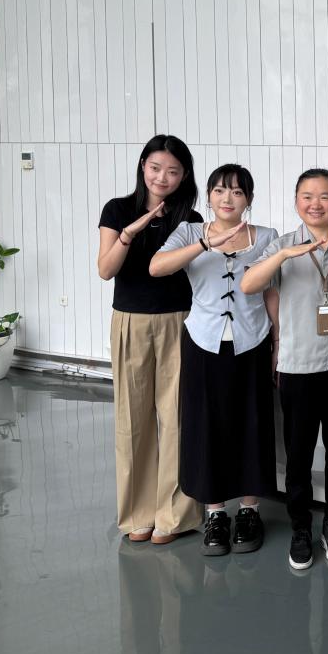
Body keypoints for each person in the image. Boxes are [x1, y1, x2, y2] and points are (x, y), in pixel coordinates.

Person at [241, 169, 328, 570]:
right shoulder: (281, 246)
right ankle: (300, 528)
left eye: (325, 196)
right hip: (298, 367)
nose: (316, 204)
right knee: (298, 456)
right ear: (296, 202)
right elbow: (249, 284)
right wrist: (282, 256)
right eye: (307, 196)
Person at [150, 164, 280, 556]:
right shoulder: (189, 232)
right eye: (220, 190)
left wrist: (278, 340)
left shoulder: (267, 237)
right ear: (208, 196)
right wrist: (207, 244)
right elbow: (157, 266)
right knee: (206, 424)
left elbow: (271, 291)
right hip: (203, 341)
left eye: (237, 192)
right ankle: (215, 513)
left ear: (249, 200)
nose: (228, 198)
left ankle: (250, 510)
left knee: (252, 423)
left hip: (252, 341)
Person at [96, 135, 204, 545]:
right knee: (133, 420)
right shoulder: (118, 209)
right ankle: (138, 513)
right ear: (143, 165)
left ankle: (175, 514)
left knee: (177, 419)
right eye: (156, 168)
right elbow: (105, 270)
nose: (163, 177)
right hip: (131, 322)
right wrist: (130, 232)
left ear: (184, 176)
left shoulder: (191, 217)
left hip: (181, 320)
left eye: (173, 171)